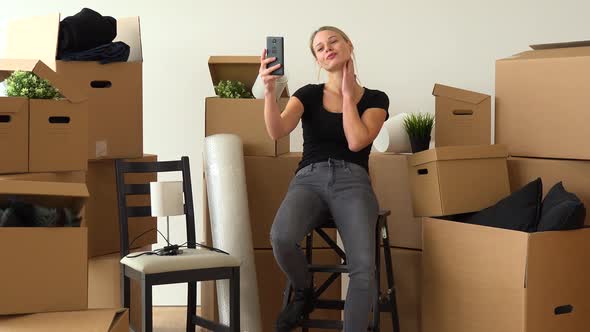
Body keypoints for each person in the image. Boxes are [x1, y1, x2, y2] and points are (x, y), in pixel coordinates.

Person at [260, 26, 389, 331]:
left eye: (333, 41)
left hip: (353, 181)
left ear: (349, 44)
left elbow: (357, 141)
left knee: (362, 268)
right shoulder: (308, 94)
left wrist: (347, 95)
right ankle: (305, 290)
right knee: (280, 237)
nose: (327, 48)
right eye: (319, 48)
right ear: (318, 61)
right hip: (309, 180)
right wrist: (269, 92)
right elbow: (276, 131)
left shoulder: (375, 98)